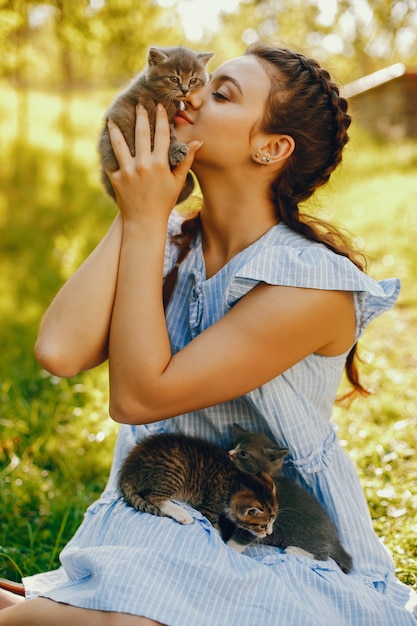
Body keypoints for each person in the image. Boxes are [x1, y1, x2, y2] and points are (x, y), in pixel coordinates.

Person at [1, 42, 416, 626]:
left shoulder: (311, 285)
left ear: (271, 147)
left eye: (220, 94)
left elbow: (136, 397)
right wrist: (138, 210)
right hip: (167, 511)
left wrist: (147, 219)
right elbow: (60, 351)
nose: (191, 97)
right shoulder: (164, 234)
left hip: (268, 531)